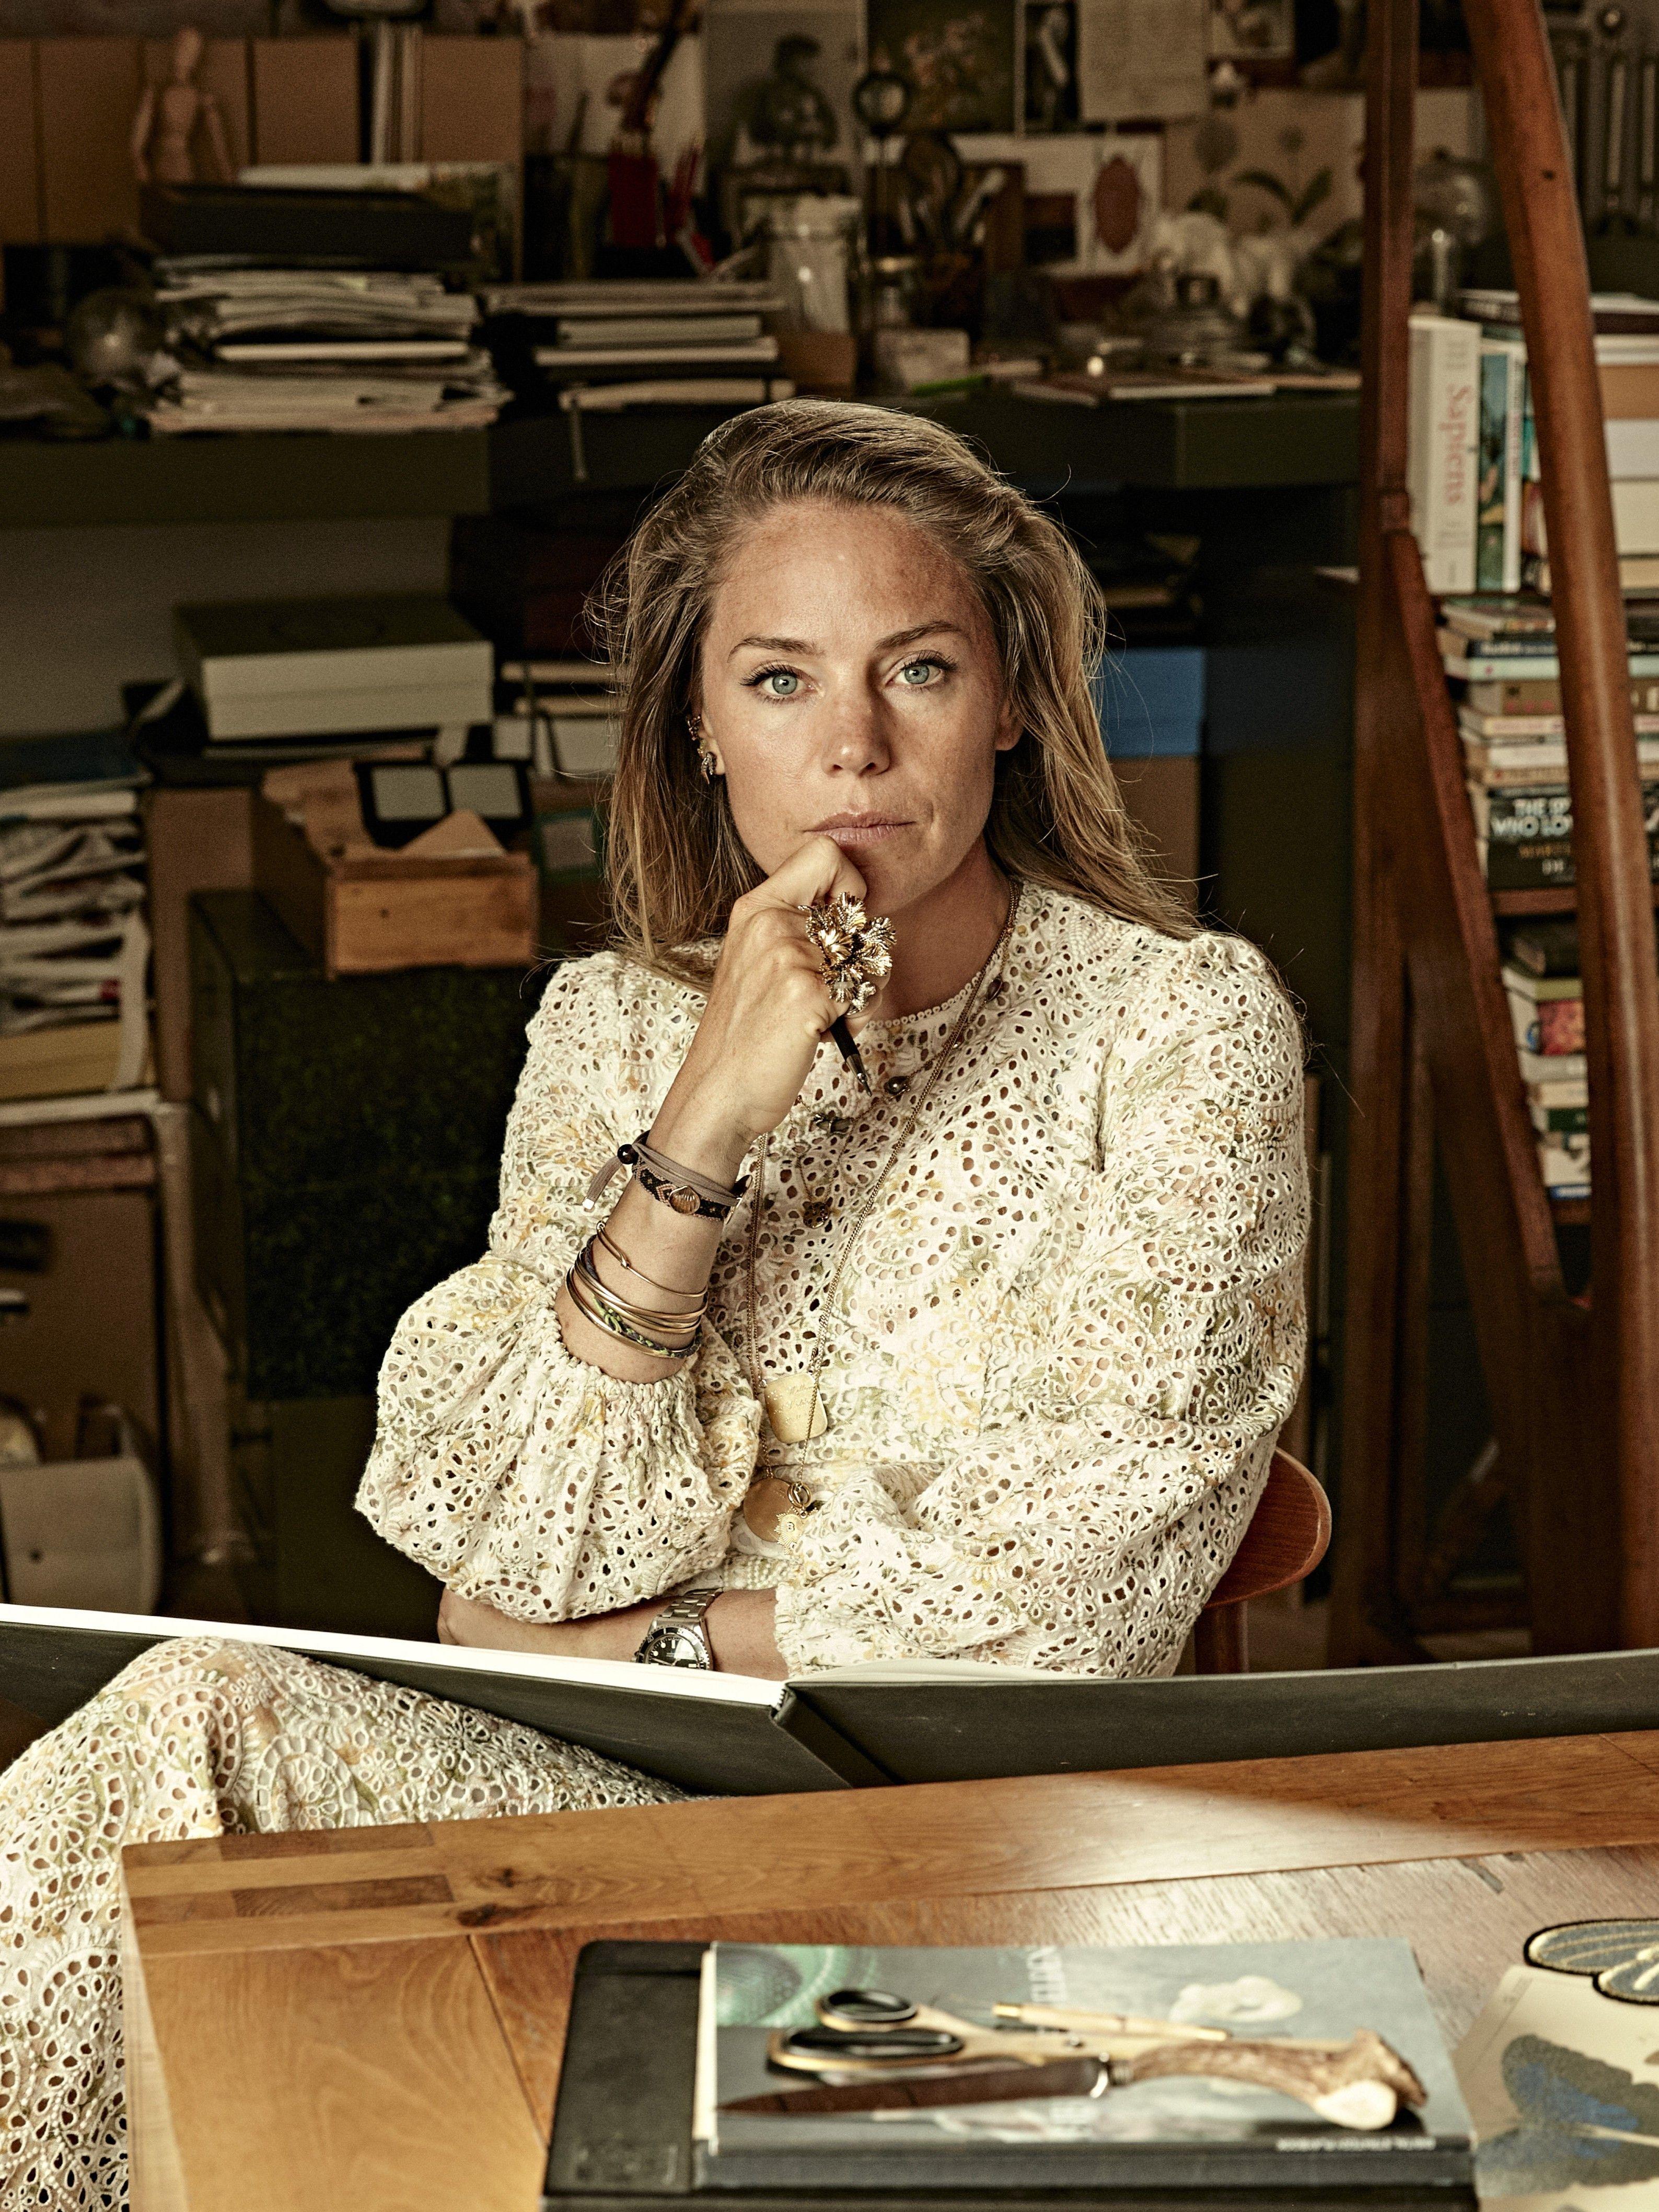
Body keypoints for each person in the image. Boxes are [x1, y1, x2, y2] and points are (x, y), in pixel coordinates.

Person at [0, 400, 1307, 2210]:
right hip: (609, 1813)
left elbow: (1071, 1608)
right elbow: (503, 1550)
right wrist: (705, 1118)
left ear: (1009, 696)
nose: (852, 744)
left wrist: (656, 1646)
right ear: (699, 722)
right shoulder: (615, 1031)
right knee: (190, 1724)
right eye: (779, 680)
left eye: (916, 668)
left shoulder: (1181, 1032)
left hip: (987, 1861)